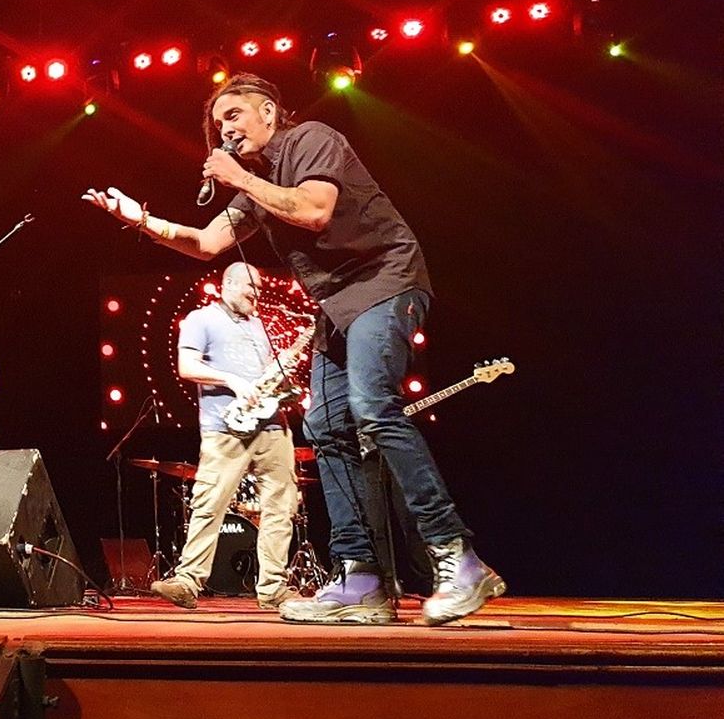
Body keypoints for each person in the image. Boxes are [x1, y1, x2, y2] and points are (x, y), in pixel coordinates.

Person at [85, 73, 503, 625]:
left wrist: (239, 178)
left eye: (233, 117)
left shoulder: (311, 138)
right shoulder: (257, 184)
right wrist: (138, 219)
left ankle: (457, 556)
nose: (224, 131)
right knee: (327, 427)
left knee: (374, 408)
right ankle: (364, 577)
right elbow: (207, 242)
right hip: (337, 308)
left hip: (386, 283)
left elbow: (313, 211)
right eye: (217, 126)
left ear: (268, 111)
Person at [151, 262, 300, 611]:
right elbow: (187, 367)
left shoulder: (261, 326)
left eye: (260, 288)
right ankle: (188, 582)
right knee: (209, 503)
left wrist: (283, 376)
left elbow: (266, 378)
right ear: (227, 285)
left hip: (273, 425)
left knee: (281, 507)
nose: (257, 294)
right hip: (225, 425)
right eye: (251, 286)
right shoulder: (200, 319)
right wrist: (233, 381)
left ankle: (274, 589)